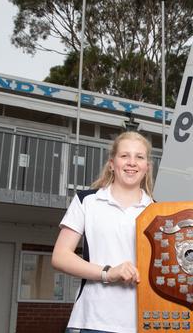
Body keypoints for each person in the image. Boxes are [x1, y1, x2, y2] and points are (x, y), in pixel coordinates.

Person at [52, 131, 154, 333]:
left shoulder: (157, 212)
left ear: (147, 167)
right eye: (124, 156)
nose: (131, 162)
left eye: (139, 157)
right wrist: (108, 273)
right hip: (91, 322)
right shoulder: (86, 201)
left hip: (142, 325)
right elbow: (60, 257)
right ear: (111, 163)